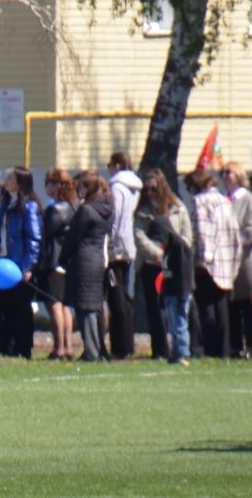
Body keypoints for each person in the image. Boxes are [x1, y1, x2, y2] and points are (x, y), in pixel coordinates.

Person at [135, 169, 194, 365]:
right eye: (147, 189)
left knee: (178, 308)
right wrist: (158, 254)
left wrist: (175, 251)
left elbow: (186, 233)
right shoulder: (143, 210)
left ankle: (183, 349)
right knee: (156, 310)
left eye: (154, 189)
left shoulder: (177, 206)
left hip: (176, 264)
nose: (150, 193)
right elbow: (139, 236)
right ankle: (160, 348)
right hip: (152, 264)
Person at [0, 167, 41, 358]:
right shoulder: (6, 204)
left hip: (19, 267)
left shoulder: (29, 206)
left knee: (20, 310)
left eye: (10, 177)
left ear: (20, 182)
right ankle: (2, 347)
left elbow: (34, 239)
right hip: (2, 266)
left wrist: (27, 266)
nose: (5, 180)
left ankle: (22, 348)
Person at [189, 169, 238, 359]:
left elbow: (203, 231)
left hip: (208, 262)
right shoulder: (225, 201)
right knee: (222, 307)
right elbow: (235, 233)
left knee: (206, 307)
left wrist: (204, 257)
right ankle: (224, 349)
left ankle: (211, 348)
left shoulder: (200, 201)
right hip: (226, 259)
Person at [64, 172, 113, 362]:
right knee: (95, 306)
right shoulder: (106, 208)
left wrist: (63, 257)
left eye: (82, 187)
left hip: (84, 259)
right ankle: (98, 349)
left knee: (85, 307)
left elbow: (74, 236)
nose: (78, 190)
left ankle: (91, 350)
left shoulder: (86, 211)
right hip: (98, 258)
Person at [222, 162, 252, 357]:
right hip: (227, 262)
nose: (224, 176)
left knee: (251, 306)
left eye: (228, 172)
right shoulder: (224, 200)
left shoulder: (249, 201)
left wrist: (230, 241)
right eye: (222, 172)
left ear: (239, 175)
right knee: (232, 307)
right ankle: (234, 345)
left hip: (247, 261)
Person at [105, 152, 141, 359]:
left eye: (110, 164)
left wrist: (110, 244)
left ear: (117, 166)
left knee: (116, 297)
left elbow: (115, 216)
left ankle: (121, 346)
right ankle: (127, 343)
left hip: (117, 247)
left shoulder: (117, 187)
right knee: (124, 295)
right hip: (128, 245)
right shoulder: (135, 187)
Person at [38, 168, 76, 359]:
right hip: (67, 261)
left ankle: (59, 347)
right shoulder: (73, 206)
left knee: (54, 305)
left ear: (57, 186)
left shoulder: (54, 209)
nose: (47, 187)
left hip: (53, 261)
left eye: (49, 183)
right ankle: (68, 346)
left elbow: (46, 235)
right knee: (65, 305)